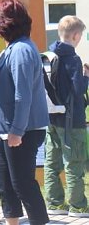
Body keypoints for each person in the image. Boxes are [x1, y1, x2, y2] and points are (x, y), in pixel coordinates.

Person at [0, 0, 50, 225]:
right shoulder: (14, 48)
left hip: (22, 129)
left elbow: (22, 95)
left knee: (23, 184)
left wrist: (16, 130)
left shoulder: (21, 50)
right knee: (4, 183)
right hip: (9, 129)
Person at [44, 15, 89, 217]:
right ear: (76, 36)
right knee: (74, 163)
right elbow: (78, 90)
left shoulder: (48, 55)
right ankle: (78, 206)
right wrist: (86, 76)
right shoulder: (73, 59)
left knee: (52, 163)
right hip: (72, 120)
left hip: (51, 118)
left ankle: (54, 204)